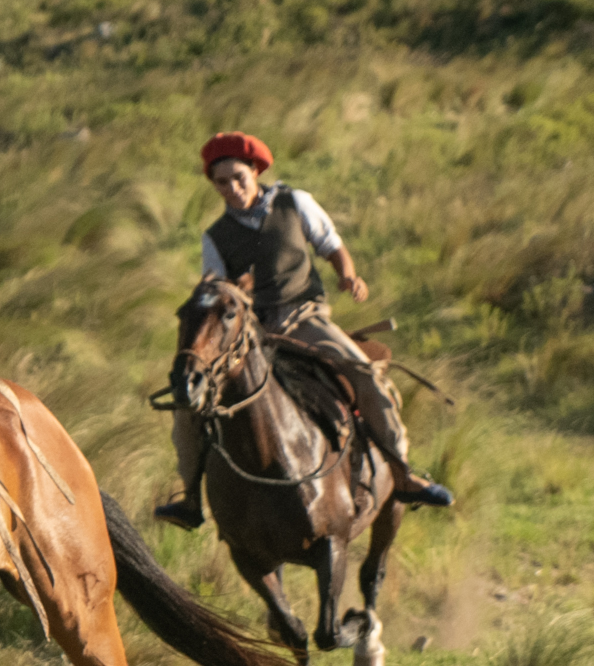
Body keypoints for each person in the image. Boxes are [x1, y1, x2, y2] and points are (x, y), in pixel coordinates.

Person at [158, 131, 453, 529]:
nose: (232, 188)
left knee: (363, 372)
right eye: (221, 182)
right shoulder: (215, 236)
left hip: (306, 319)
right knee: (190, 403)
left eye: (239, 177)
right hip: (254, 334)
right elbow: (217, 287)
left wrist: (348, 275)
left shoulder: (294, 203)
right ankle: (192, 498)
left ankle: (403, 473)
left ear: (256, 171)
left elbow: (330, 244)